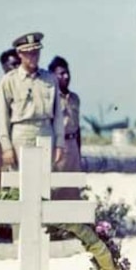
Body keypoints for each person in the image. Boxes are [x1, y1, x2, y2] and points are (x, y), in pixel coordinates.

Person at [0, 32, 64, 172]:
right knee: (22, 183)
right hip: (22, 134)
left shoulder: (50, 79)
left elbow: (58, 116)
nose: (34, 56)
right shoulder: (10, 80)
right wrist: (7, 147)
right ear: (19, 54)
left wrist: (59, 144)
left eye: (36, 52)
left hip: (46, 132)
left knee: (43, 181)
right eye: (29, 53)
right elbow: (2, 118)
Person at [0, 48, 21, 192]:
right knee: (3, 176)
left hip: (21, 136)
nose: (17, 68)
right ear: (4, 66)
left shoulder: (25, 87)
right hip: (2, 139)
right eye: (13, 64)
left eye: (19, 64)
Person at [49, 55, 82, 199]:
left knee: (73, 189)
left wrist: (79, 152)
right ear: (53, 76)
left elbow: (77, 127)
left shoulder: (74, 98)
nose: (66, 76)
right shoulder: (50, 98)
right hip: (58, 147)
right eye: (62, 74)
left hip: (73, 146)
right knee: (57, 188)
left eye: (67, 73)